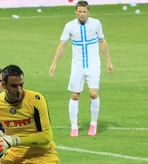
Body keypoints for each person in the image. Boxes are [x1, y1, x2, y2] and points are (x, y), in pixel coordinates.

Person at [48, 0, 113, 137]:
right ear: (76, 12)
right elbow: (62, 45)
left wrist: (108, 61)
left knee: (93, 93)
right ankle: (74, 126)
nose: (82, 14)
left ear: (88, 12)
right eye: (80, 11)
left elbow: (102, 41)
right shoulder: (70, 26)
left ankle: (93, 124)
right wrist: (54, 63)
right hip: (77, 66)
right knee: (74, 95)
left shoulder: (96, 24)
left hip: (93, 64)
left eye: (84, 12)